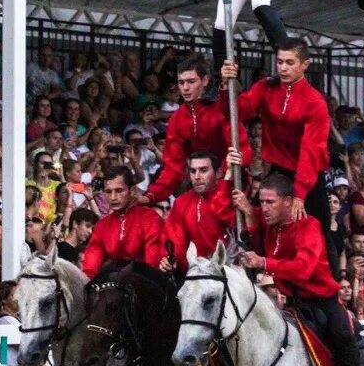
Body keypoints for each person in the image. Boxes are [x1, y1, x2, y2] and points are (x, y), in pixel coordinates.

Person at [234, 173, 364, 366]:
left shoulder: (309, 226)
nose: (263, 208)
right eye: (261, 202)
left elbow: (302, 269)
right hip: (289, 303)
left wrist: (264, 263)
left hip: (323, 303)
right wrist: (248, 213)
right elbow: (258, 240)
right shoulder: (272, 225)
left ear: (289, 202)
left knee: (343, 339)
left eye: (269, 202)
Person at [220, 40, 334, 269]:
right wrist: (225, 84)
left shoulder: (315, 102)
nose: (282, 68)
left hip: (308, 178)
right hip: (278, 171)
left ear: (305, 65)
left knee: (318, 235)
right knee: (253, 218)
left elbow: (310, 152)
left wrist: (299, 194)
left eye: (290, 63)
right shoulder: (266, 87)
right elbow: (236, 112)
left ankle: (330, 291)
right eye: (280, 62)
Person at [139, 56, 251, 205]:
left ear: (204, 81)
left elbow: (242, 153)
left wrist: (222, 174)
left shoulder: (221, 109)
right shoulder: (177, 119)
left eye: (191, 82)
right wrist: (151, 195)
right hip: (201, 185)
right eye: (181, 82)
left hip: (231, 183)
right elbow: (172, 168)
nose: (185, 88)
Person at [159, 149, 245, 273]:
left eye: (203, 170)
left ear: (219, 172)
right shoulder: (181, 202)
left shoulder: (231, 195)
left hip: (230, 270)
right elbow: (174, 240)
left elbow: (227, 219)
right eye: (193, 171)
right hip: (195, 272)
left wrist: (230, 174)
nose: (197, 177)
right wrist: (170, 259)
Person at [82, 166, 162, 278]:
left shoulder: (149, 218)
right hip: (114, 282)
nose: (113, 197)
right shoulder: (102, 225)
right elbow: (90, 265)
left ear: (132, 190)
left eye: (119, 191)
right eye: (108, 192)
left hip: (146, 281)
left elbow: (153, 262)